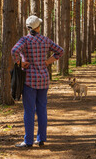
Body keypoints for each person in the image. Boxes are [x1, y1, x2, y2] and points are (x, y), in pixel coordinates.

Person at [11, 15, 64, 148]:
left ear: (29, 28)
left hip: (29, 80)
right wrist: (47, 62)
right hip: (44, 80)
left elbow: (14, 50)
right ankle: (41, 139)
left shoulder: (25, 40)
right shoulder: (45, 40)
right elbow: (60, 51)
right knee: (42, 109)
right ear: (38, 27)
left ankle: (28, 141)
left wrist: (20, 63)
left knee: (29, 110)